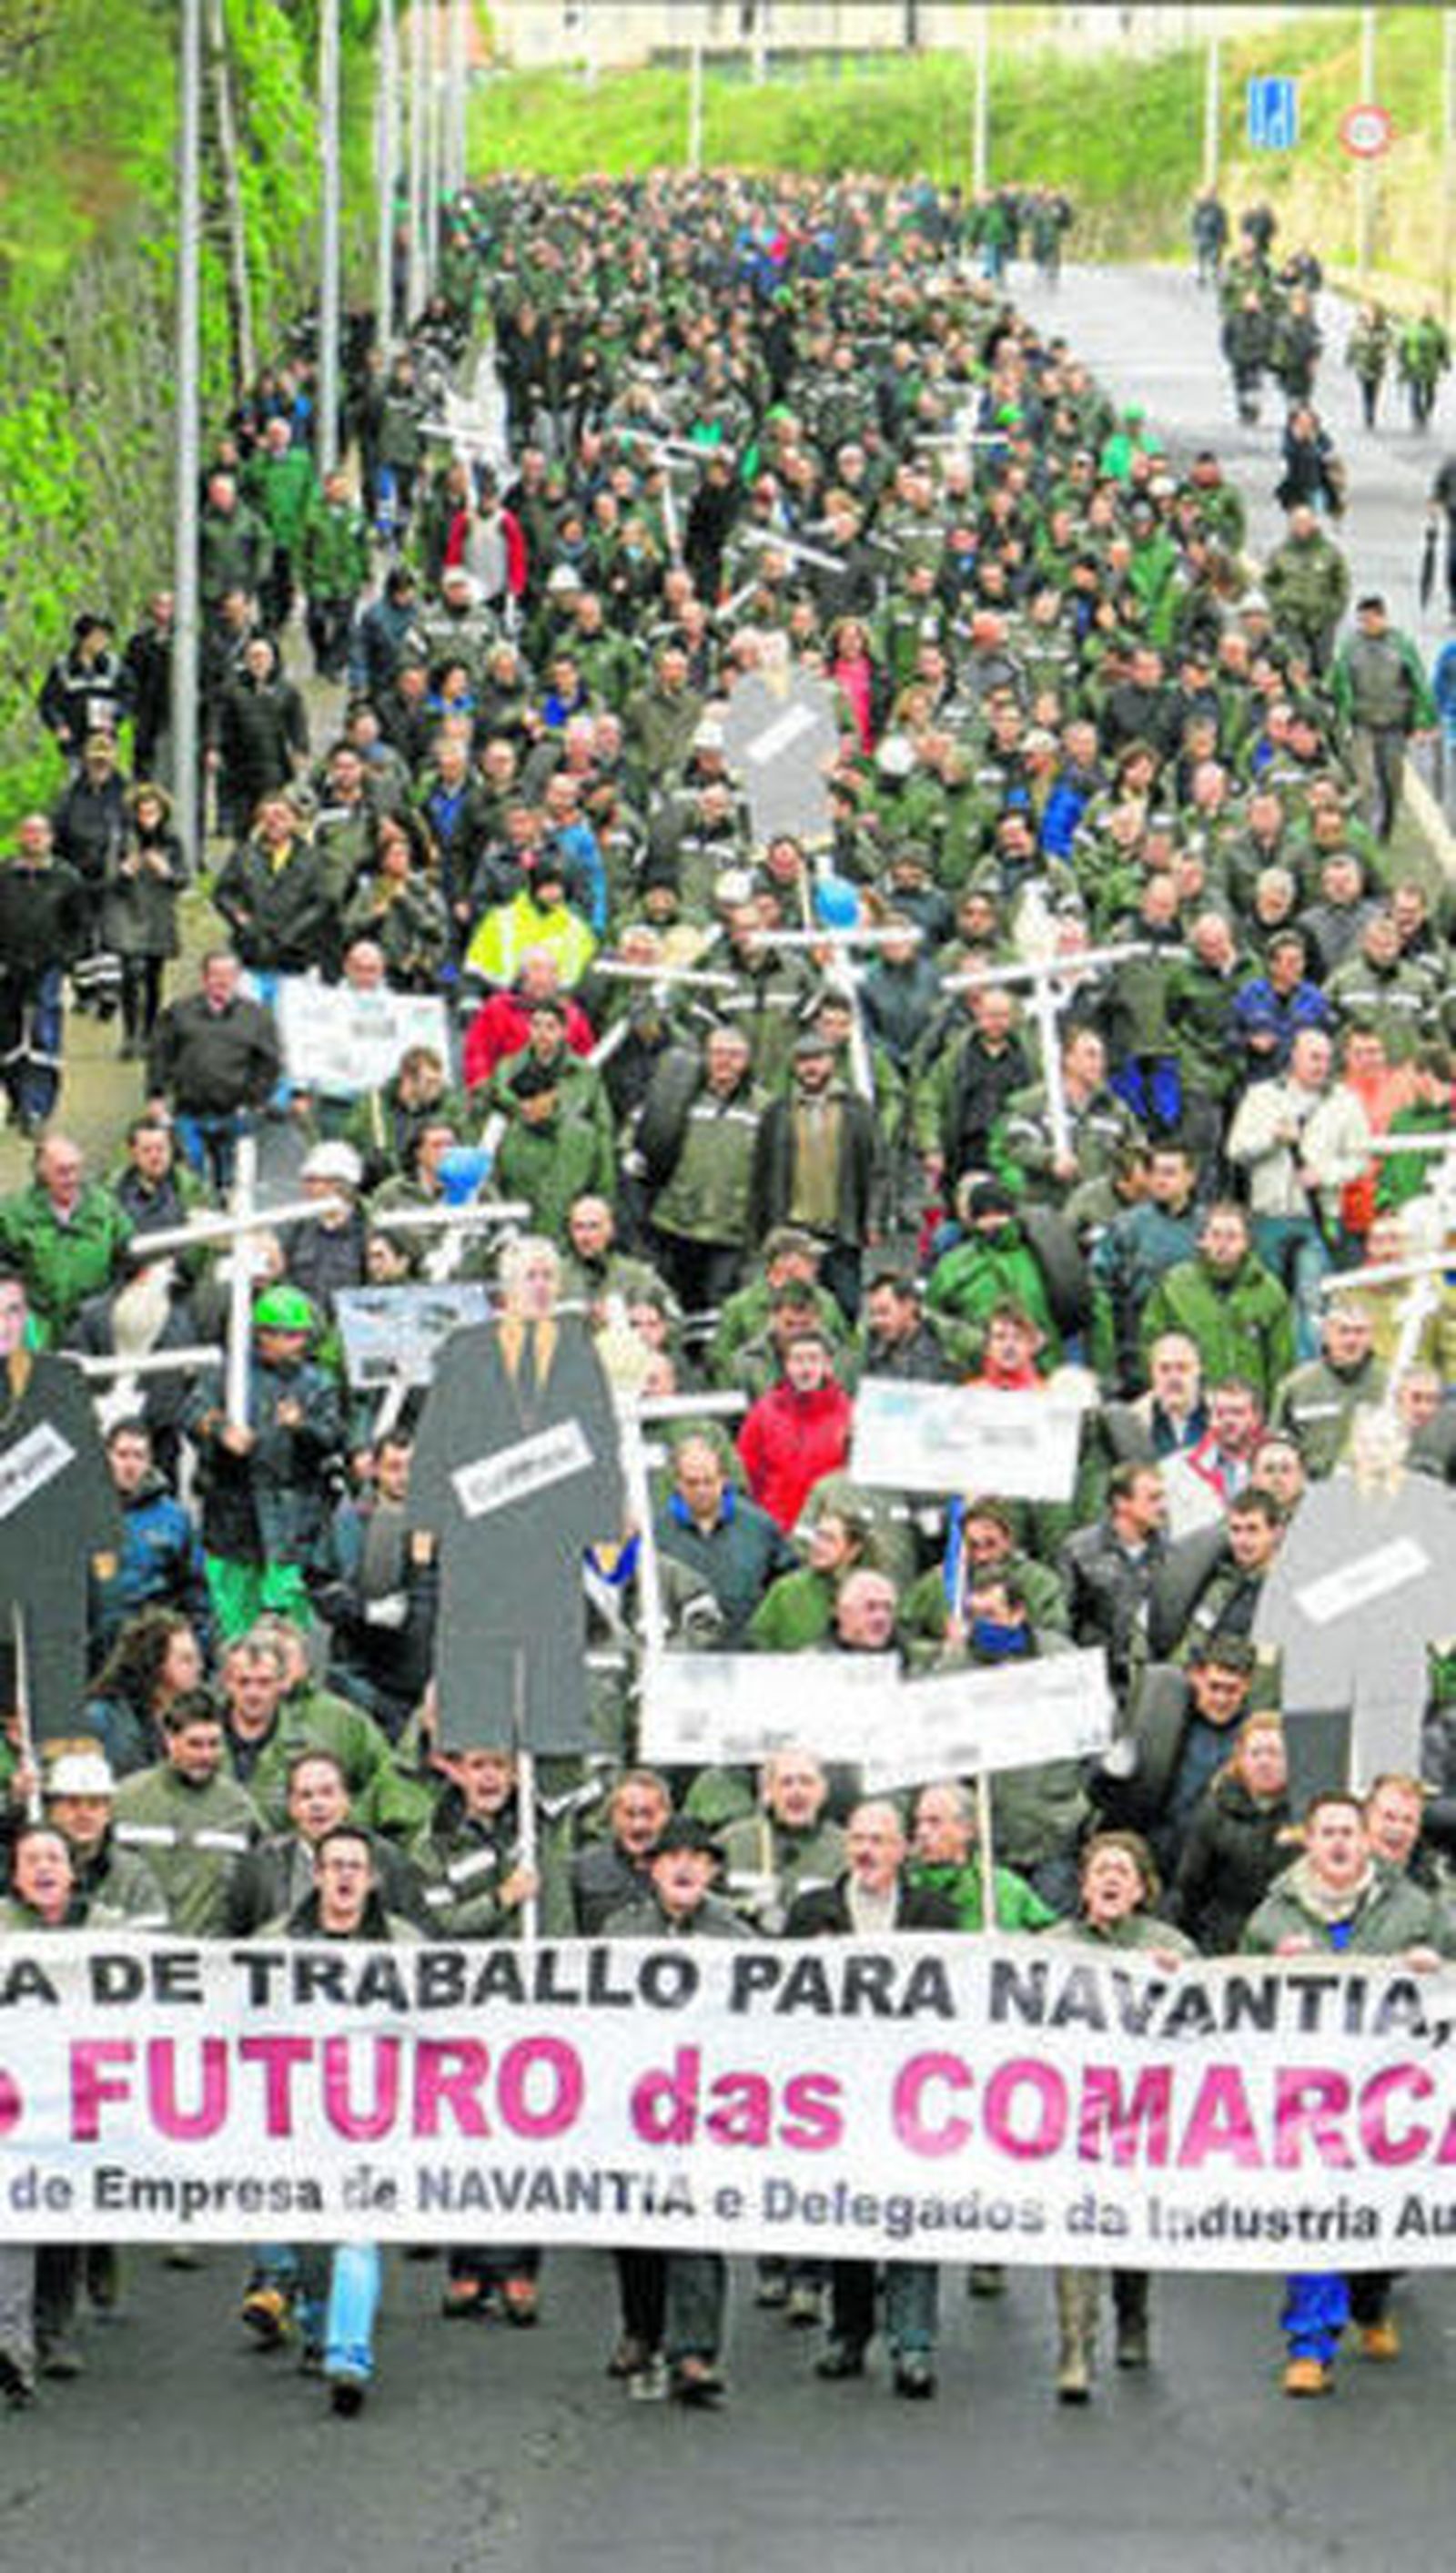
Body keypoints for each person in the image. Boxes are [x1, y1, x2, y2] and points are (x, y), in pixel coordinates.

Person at [1242, 1790, 1453, 2394]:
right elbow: (1232, 1998)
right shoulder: (1273, 1918)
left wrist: (1432, 1966)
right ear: (1308, 1841)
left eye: (1348, 1831)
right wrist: (1269, 1966)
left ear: (1365, 1841)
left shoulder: (1414, 1908)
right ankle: (1309, 2346)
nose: (1338, 1841)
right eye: (1326, 1830)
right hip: (1310, 2097)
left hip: (1392, 2094)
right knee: (1315, 2212)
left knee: (1381, 2215)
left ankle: (1371, 2297)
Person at [790, 1801, 957, 2399]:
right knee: (850, 2215)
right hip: (837, 2090)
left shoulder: (935, 1915)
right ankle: (850, 2331)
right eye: (857, 1838)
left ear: (902, 1849)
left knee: (910, 2215)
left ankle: (913, 2342)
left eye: (879, 1840)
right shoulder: (812, 1913)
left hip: (914, 2092)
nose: (866, 1850)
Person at [602, 1816, 749, 2406]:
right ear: (652, 1867)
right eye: (672, 1857)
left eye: (697, 1858)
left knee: (695, 2220)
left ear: (712, 1870)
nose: (684, 1867)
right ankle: (642, 2328)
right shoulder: (621, 1930)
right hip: (634, 2096)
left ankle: (695, 2347)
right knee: (634, 2221)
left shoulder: (738, 1938)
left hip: (703, 2100)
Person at [1047, 1832, 1195, 2399]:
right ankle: (1075, 2347)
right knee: (1074, 2226)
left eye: (1122, 1872)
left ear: (1140, 1889)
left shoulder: (1170, 1944)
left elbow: (1207, 2016)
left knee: (1130, 2223)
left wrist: (1174, 1978)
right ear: (1084, 1886)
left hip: (1142, 2111)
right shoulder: (1052, 1944)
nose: (1110, 1879)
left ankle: (1132, 2314)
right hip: (1073, 2111)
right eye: (1100, 1870)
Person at [145, 947, 282, 1191]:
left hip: (235, 1114)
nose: (222, 981)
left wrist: (256, 1099)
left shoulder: (256, 1017)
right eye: (216, 975)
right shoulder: (179, 1013)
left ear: (238, 978)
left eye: (229, 975)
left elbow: (270, 1062)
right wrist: (156, 1096)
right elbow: (160, 1055)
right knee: (189, 1179)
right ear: (204, 978)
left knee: (232, 1183)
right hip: (189, 1113)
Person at [1331, 595, 1438, 846]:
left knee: (1392, 783)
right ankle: (1363, 836)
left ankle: (1385, 832)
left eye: (1369, 619)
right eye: (1361, 620)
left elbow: (1419, 684)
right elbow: (1338, 682)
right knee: (1365, 783)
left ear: (1382, 617)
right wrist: (1342, 717)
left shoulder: (1401, 644)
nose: (1365, 624)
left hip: (1394, 726)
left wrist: (1424, 721)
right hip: (1362, 724)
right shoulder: (1351, 646)